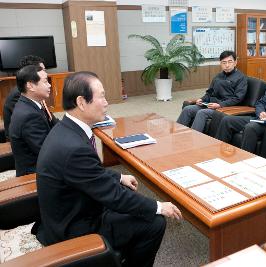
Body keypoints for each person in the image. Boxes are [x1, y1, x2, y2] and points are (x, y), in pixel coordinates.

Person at [35, 71, 182, 267]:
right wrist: (158, 206)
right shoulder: (74, 147)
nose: (106, 102)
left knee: (127, 195)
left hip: (68, 210)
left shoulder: (67, 129)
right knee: (154, 222)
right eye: (102, 96)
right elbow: (114, 197)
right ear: (81, 102)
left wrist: (119, 176)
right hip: (73, 227)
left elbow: (89, 173)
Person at [177, 50, 247, 133]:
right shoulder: (218, 76)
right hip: (210, 104)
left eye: (230, 62)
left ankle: (194, 139)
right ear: (220, 64)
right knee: (187, 109)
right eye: (224, 62)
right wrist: (202, 99)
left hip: (225, 107)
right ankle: (177, 134)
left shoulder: (241, 78)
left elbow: (237, 98)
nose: (227, 65)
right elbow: (209, 92)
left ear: (235, 62)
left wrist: (220, 105)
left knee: (202, 113)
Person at [9, 65, 58, 176]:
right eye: (45, 82)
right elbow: (48, 153)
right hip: (35, 173)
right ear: (30, 86)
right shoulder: (29, 116)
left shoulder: (28, 104)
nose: (49, 85)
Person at [3, 55, 48, 141]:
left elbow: (47, 116)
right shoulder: (20, 94)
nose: (45, 74)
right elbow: (31, 123)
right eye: (42, 70)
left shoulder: (34, 92)